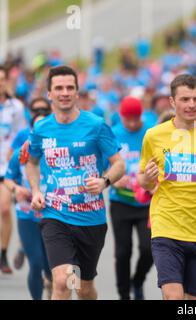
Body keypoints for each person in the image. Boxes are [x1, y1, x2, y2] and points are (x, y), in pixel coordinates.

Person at [26, 65, 125, 300]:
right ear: (49, 94)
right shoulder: (41, 128)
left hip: (91, 219)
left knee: (84, 288)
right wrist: (35, 191)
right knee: (62, 281)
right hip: (55, 215)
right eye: (59, 88)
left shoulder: (96, 125)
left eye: (70, 87)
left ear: (77, 92)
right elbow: (31, 163)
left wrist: (104, 181)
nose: (65, 92)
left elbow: (119, 164)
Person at [137, 74, 196, 300]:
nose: (192, 105)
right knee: (173, 296)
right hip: (167, 225)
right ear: (172, 102)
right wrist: (147, 179)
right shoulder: (154, 136)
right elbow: (143, 181)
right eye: (185, 99)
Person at [4, 112, 52, 300]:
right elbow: (8, 179)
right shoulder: (21, 152)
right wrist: (16, 189)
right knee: (36, 263)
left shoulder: (59, 151)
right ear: (31, 131)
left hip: (54, 216)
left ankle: (52, 285)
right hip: (27, 216)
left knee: (52, 267)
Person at [110, 96, 153, 300]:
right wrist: (113, 179)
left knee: (148, 248)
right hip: (121, 202)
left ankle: (138, 280)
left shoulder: (150, 133)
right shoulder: (114, 133)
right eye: (129, 119)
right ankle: (124, 294)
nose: (133, 123)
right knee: (122, 252)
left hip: (146, 202)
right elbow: (102, 162)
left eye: (137, 119)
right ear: (122, 116)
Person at [0, 65, 27, 274]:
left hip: (4, 166)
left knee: (5, 209)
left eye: (2, 79)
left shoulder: (15, 107)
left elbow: (22, 135)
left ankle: (3, 253)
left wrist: (16, 154)